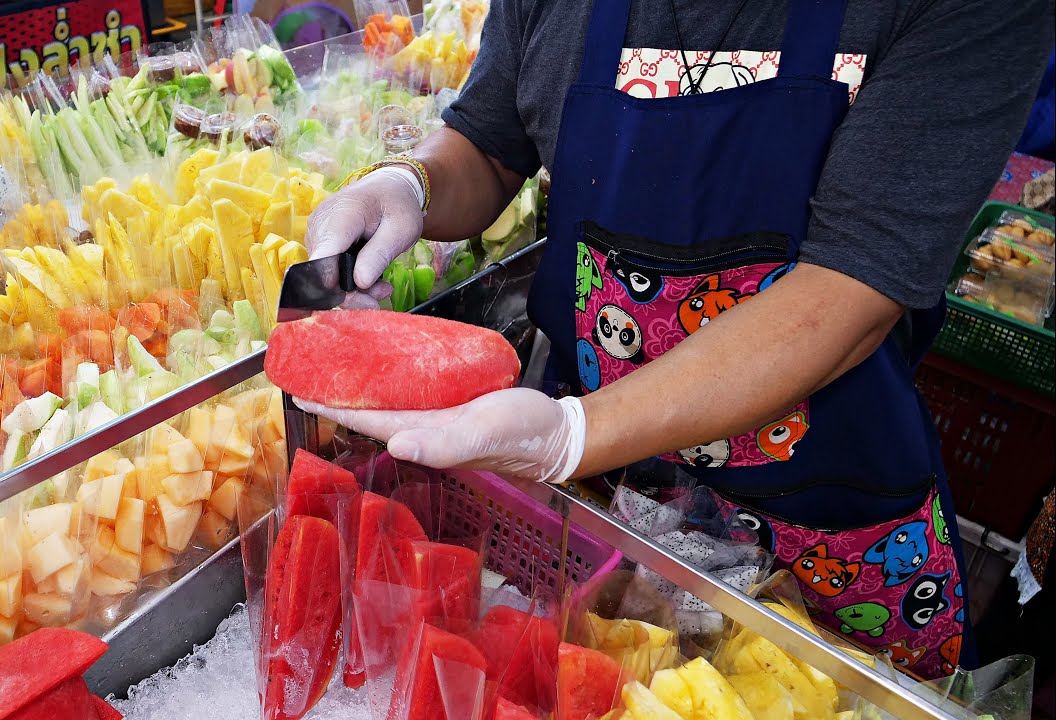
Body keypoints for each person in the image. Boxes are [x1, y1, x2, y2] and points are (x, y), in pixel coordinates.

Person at [300, 0, 1053, 679]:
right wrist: (411, 183)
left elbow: (854, 285)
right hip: (606, 501)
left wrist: (572, 434)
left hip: (820, 522)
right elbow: (491, 143)